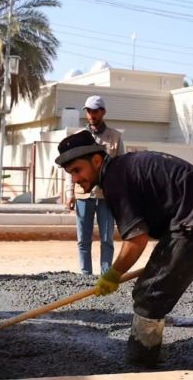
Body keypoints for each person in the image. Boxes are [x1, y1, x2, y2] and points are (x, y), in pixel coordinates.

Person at [55, 131, 193, 367]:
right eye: (70, 173)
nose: (75, 179)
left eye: (77, 170)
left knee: (148, 295)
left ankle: (140, 364)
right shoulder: (126, 168)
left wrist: (113, 274)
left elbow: (136, 240)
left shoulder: (115, 179)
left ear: (96, 160)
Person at [65, 95, 123, 275]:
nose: (91, 115)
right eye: (88, 111)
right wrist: (70, 193)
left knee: (107, 239)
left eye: (95, 111)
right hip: (83, 195)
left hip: (106, 197)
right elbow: (70, 169)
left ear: (103, 112)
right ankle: (85, 276)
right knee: (83, 240)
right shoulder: (77, 138)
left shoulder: (115, 137)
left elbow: (122, 167)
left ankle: (105, 274)